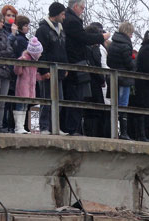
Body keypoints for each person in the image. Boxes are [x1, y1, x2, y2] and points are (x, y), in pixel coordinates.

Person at [61, 0, 109, 136]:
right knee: (75, 96)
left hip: (72, 61)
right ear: (75, 6)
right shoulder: (72, 21)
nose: (83, 10)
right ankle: (71, 128)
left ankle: (70, 127)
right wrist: (101, 37)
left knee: (73, 96)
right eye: (82, 8)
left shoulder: (68, 20)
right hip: (75, 62)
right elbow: (83, 37)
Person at [35, 2, 66, 134]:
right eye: (63, 14)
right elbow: (41, 52)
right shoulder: (42, 30)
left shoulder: (61, 29)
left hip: (59, 69)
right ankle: (44, 127)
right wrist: (43, 70)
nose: (64, 17)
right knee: (47, 98)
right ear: (57, 14)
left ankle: (55, 126)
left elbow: (63, 50)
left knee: (59, 99)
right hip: (48, 70)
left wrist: (65, 67)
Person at [106, 20, 135, 140]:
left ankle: (113, 131)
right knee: (123, 106)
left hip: (113, 78)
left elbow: (109, 62)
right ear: (128, 32)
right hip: (124, 79)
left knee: (114, 105)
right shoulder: (125, 45)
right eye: (131, 33)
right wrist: (135, 63)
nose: (132, 35)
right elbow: (129, 63)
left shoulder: (113, 44)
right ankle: (123, 132)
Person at [12, 36, 43, 133]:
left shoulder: (34, 62)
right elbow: (17, 71)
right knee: (20, 106)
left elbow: (34, 76)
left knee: (25, 107)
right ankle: (18, 127)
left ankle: (22, 127)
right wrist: (20, 63)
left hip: (30, 88)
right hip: (23, 87)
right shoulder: (24, 58)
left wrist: (42, 77)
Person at [82, 22, 107, 137]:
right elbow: (97, 66)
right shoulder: (93, 49)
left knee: (91, 111)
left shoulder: (87, 48)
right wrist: (102, 80)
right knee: (94, 111)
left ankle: (91, 133)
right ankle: (94, 134)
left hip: (89, 81)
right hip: (93, 82)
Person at [0, 12, 15, 132]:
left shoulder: (5, 35)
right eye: (1, 21)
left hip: (6, 71)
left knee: (2, 102)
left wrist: (3, 52)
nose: (3, 23)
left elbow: (10, 50)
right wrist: (3, 52)